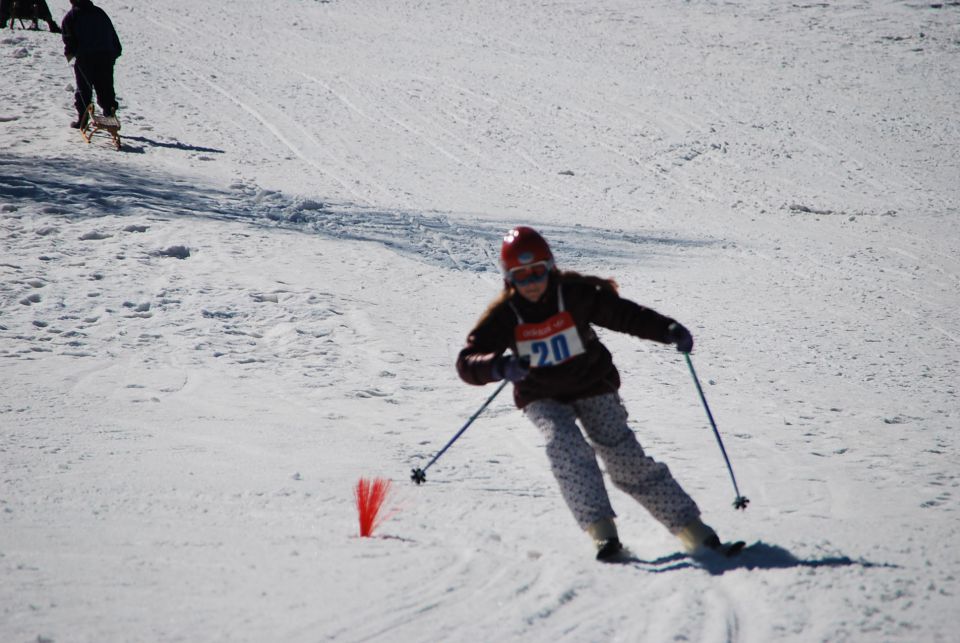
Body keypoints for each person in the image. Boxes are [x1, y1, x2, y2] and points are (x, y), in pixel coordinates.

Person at [456, 226, 730, 561]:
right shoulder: (505, 315)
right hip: (542, 396)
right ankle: (603, 534)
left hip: (593, 385)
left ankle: (693, 530)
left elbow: (625, 315)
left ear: (550, 267)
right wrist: (499, 367)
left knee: (625, 458)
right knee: (565, 446)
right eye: (521, 276)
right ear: (509, 278)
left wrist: (667, 330)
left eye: (537, 272)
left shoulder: (574, 295)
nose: (531, 283)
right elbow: (467, 361)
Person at [60, 0, 121, 129]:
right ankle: (110, 115)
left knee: (84, 89)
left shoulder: (72, 16)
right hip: (105, 56)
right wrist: (115, 52)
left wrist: (70, 52)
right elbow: (112, 33)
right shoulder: (100, 13)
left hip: (85, 58)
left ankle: (82, 118)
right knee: (106, 87)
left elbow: (68, 38)